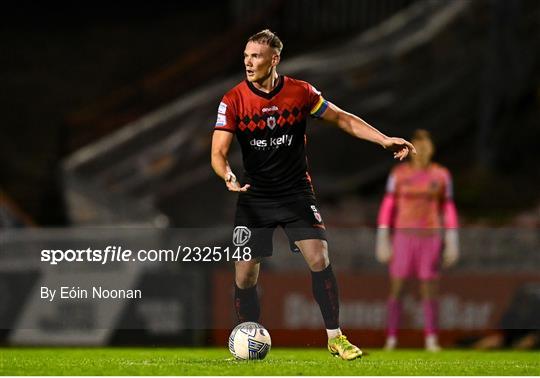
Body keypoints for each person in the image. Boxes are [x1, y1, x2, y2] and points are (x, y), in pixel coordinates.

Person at [211, 29, 416, 360]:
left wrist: (383, 139)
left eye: (256, 56)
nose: (249, 62)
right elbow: (218, 152)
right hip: (254, 196)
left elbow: (342, 119)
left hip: (295, 193)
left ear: (274, 59)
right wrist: (228, 175)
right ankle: (248, 340)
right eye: (246, 56)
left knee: (319, 256)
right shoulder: (233, 99)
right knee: (245, 275)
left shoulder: (300, 92)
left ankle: (335, 337)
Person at [375, 129, 459, 352]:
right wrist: (383, 235)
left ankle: (431, 338)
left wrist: (452, 237)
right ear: (410, 149)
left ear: (431, 149)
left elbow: (447, 206)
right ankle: (391, 339)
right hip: (403, 235)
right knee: (397, 287)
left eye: (426, 146)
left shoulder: (441, 175)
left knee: (429, 288)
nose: (421, 151)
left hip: (430, 236)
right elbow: (389, 204)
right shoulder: (399, 174)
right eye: (417, 146)